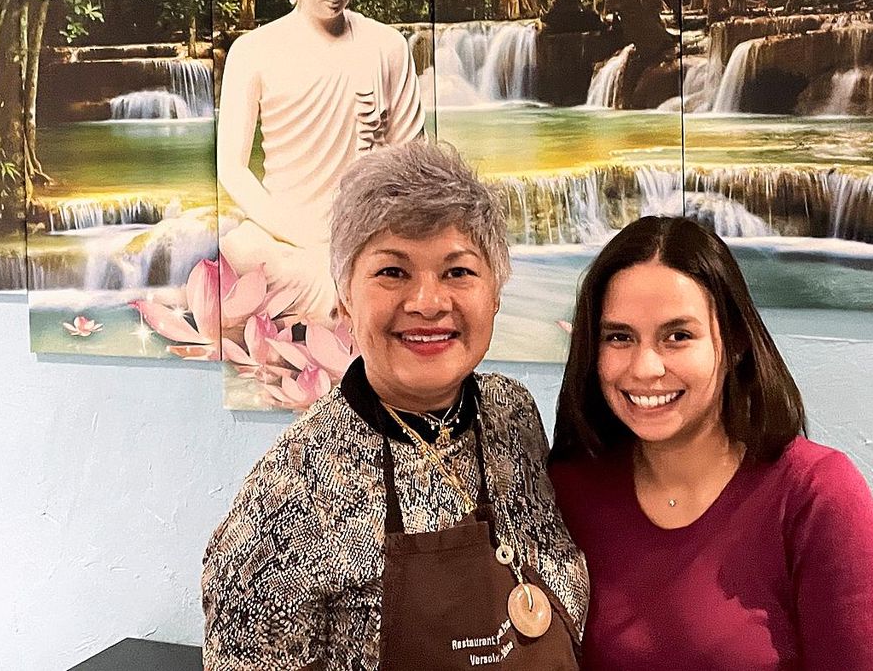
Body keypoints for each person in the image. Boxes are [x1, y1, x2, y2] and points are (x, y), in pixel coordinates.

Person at [203, 139, 587, 670]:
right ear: (343, 297)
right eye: (392, 272)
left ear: (495, 292)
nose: (428, 303)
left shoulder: (511, 414)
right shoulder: (289, 494)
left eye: (458, 271)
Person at [549, 215, 873, 670]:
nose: (644, 368)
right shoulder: (568, 490)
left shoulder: (815, 494)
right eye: (619, 337)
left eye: (677, 336)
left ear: (735, 340)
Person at [216, 0, 424, 325]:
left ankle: (344, 295)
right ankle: (339, 299)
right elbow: (232, 168)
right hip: (285, 237)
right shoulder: (253, 52)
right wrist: (300, 234)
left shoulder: (386, 47)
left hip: (367, 237)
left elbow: (413, 169)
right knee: (238, 250)